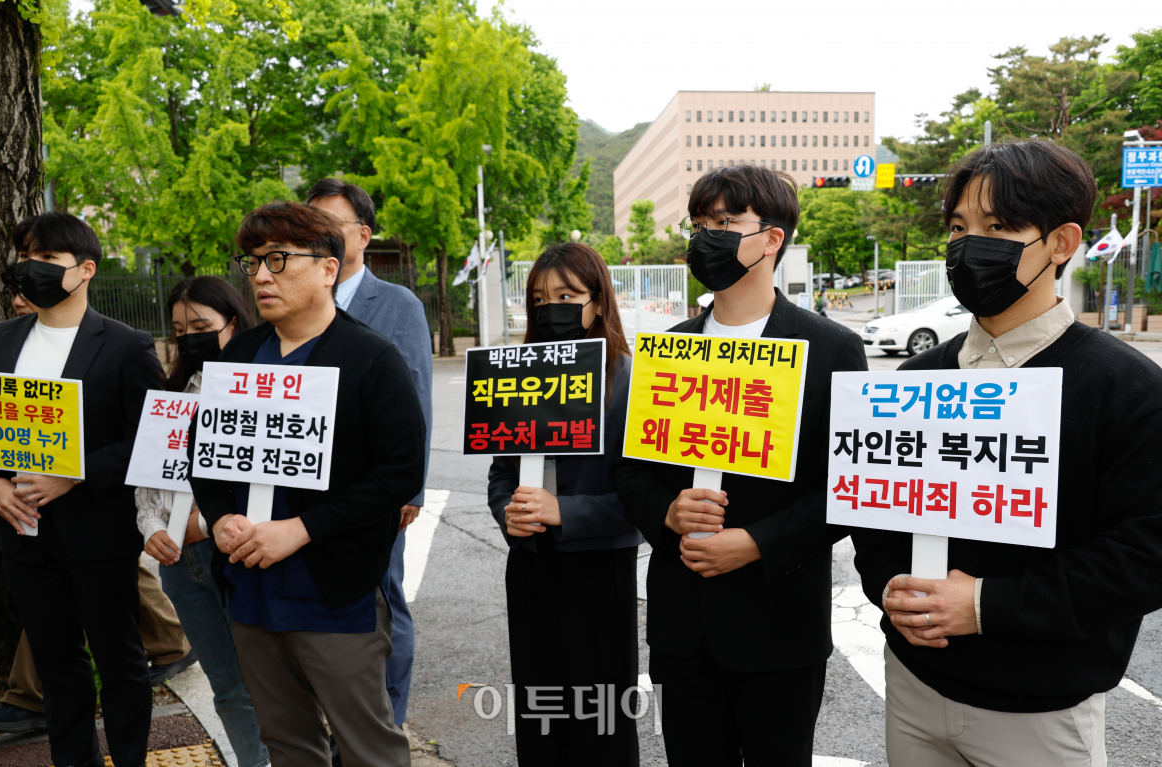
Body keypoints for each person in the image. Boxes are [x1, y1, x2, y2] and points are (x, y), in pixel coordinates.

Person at [852, 140, 1162, 767]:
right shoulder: (911, 380)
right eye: (960, 228)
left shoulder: (1127, 388)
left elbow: (1146, 553)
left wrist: (987, 605)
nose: (970, 247)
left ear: (1062, 242)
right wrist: (892, 589)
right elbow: (875, 519)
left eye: (999, 227)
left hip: (1044, 712)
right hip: (913, 688)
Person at [609, 164, 867, 766]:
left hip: (779, 624)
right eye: (700, 224)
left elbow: (848, 484)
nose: (708, 237)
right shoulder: (670, 347)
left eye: (726, 223)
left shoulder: (830, 347)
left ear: (773, 238)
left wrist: (756, 542)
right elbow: (629, 471)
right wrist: (667, 512)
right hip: (683, 625)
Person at [189, 202, 425, 767]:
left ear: (327, 267)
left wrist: (302, 530)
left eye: (278, 260)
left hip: (333, 592)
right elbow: (205, 454)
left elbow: (398, 473)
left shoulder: (370, 358)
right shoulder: (242, 353)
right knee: (288, 744)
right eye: (252, 263)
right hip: (249, 588)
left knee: (369, 747)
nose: (261, 276)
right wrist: (221, 517)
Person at [0, 213, 162, 767]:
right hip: (23, 538)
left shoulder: (126, 345)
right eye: (26, 256)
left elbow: (151, 438)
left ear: (85, 270)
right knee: (57, 666)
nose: (32, 270)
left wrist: (75, 473)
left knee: (121, 662)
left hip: (99, 535)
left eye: (47, 260)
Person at [487, 242, 642, 765]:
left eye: (567, 294)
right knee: (539, 714)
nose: (550, 306)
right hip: (530, 566)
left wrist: (564, 511)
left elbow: (646, 498)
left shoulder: (630, 379)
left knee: (602, 721)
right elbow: (499, 471)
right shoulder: (514, 373)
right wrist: (511, 511)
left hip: (599, 572)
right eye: (538, 298)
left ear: (598, 301)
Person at [306, 178, 433, 728]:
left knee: (383, 598)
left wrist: (411, 488)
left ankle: (389, 718)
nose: (320, 240)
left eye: (330, 228)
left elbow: (417, 399)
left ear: (363, 235)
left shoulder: (396, 303)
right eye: (310, 230)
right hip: (308, 485)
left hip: (377, 488)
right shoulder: (300, 299)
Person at [133, 275, 271, 767]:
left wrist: (207, 524)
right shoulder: (171, 392)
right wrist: (152, 528)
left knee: (272, 685)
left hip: (240, 554)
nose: (189, 334)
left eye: (201, 324)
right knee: (228, 688)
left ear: (233, 323)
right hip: (179, 564)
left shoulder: (266, 385)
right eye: (178, 327)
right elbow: (148, 484)